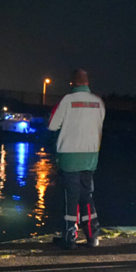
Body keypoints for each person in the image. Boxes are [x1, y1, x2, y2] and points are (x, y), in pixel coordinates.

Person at [47, 69, 105, 249]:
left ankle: (69, 237)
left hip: (69, 156)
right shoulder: (98, 102)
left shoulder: (67, 100)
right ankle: (92, 236)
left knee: (70, 196)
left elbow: (51, 125)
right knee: (87, 195)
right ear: (87, 83)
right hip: (91, 156)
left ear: (72, 82)